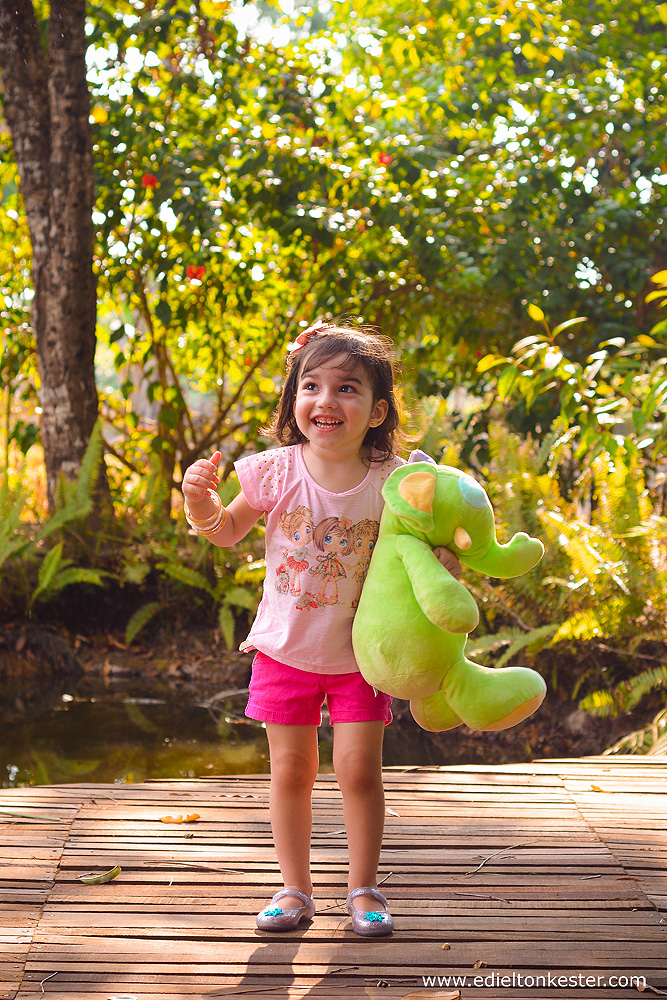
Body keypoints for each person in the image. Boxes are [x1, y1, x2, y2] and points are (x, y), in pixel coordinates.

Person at [181, 320, 460, 937]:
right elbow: (225, 530)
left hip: (363, 655)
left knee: (359, 771)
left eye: (347, 388)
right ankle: (294, 890)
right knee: (291, 772)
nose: (326, 400)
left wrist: (447, 556)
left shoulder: (394, 480)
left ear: (378, 410)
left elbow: (434, 544)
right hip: (285, 650)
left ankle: (364, 887)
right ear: (293, 400)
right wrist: (200, 502)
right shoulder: (276, 471)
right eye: (311, 386)